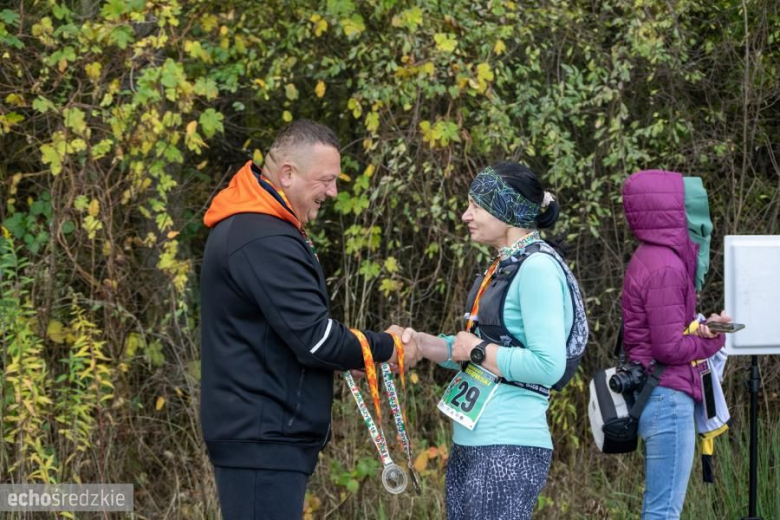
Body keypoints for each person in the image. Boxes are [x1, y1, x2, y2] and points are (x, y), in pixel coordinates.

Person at [199, 120, 419, 519]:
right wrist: (389, 347)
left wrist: (350, 356)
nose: (333, 192)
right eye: (327, 180)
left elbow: (288, 335)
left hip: (265, 435)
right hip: (262, 439)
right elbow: (316, 340)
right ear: (288, 174)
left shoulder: (263, 227)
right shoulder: (261, 236)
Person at [399, 162, 580, 519]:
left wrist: (479, 350)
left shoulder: (538, 268)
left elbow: (548, 365)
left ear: (507, 210)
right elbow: (473, 348)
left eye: (476, 206)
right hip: (473, 444)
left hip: (508, 446)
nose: (466, 215)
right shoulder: (503, 266)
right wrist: (420, 343)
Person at [621, 170, 732, 519]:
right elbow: (669, 349)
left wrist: (699, 330)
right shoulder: (667, 267)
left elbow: (660, 334)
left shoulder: (650, 256)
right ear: (670, 209)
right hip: (668, 397)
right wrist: (714, 340)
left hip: (656, 393)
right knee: (663, 512)